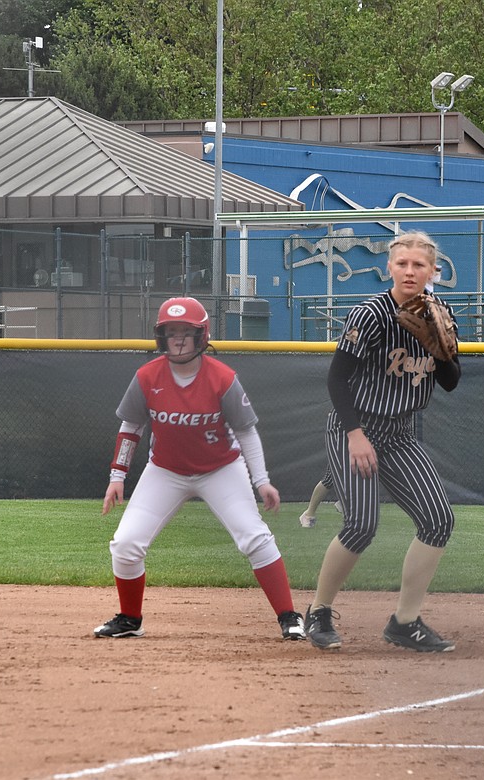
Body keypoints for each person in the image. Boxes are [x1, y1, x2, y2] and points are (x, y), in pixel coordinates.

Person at [96, 296, 305, 641]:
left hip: (220, 469)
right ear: (160, 337)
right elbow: (130, 427)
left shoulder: (222, 378)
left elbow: (246, 432)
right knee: (126, 543)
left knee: (254, 537)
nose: (177, 339)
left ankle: (289, 616)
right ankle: (130, 619)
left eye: (185, 332)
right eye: (170, 331)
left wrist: (262, 481)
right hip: (165, 470)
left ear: (202, 335)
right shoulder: (147, 377)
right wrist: (117, 477)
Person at [304, 230, 462, 653]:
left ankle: (404, 622)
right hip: (353, 426)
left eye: (419, 265)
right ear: (389, 267)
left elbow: (450, 382)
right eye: (402, 263)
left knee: (438, 520)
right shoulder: (371, 314)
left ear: (433, 271)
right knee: (361, 525)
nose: (410, 271)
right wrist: (355, 436)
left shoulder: (441, 313)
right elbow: (336, 378)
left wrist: (440, 348)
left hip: (399, 433)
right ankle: (318, 611)